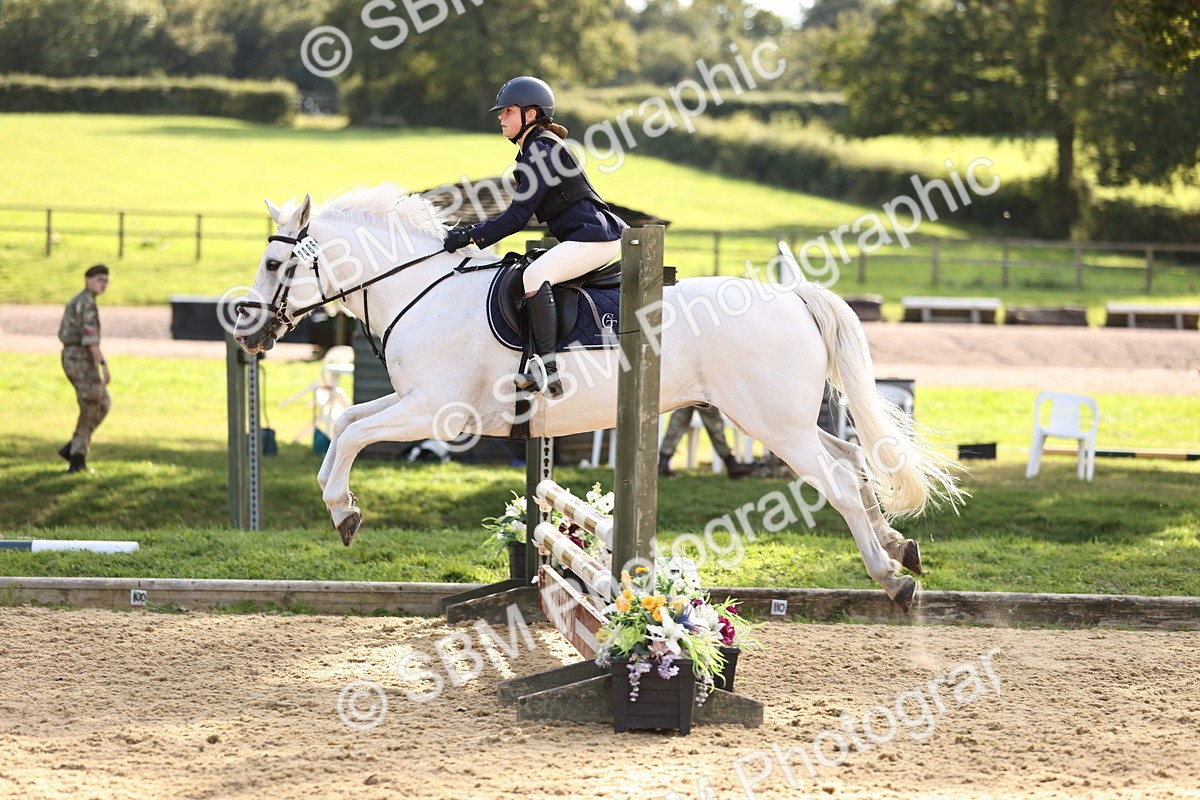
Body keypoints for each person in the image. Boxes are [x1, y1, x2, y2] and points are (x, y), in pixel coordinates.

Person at [443, 76, 627, 397]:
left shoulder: (540, 149)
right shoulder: (536, 147)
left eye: (508, 111)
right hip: (586, 237)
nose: (501, 117)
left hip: (595, 237)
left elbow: (516, 217)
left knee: (535, 275)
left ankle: (547, 369)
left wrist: (469, 236)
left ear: (530, 114)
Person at [57, 264, 112, 474]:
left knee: (103, 403)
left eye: (106, 281)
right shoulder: (85, 303)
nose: (103, 284)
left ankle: (73, 447)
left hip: (82, 358)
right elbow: (91, 340)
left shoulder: (84, 301)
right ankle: (77, 459)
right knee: (91, 404)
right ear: (87, 279)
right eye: (99, 280)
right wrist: (103, 365)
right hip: (78, 357)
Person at [658, 405, 754, 479]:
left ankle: (663, 461)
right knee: (710, 417)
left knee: (682, 414)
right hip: (702, 388)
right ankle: (731, 463)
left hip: (691, 386)